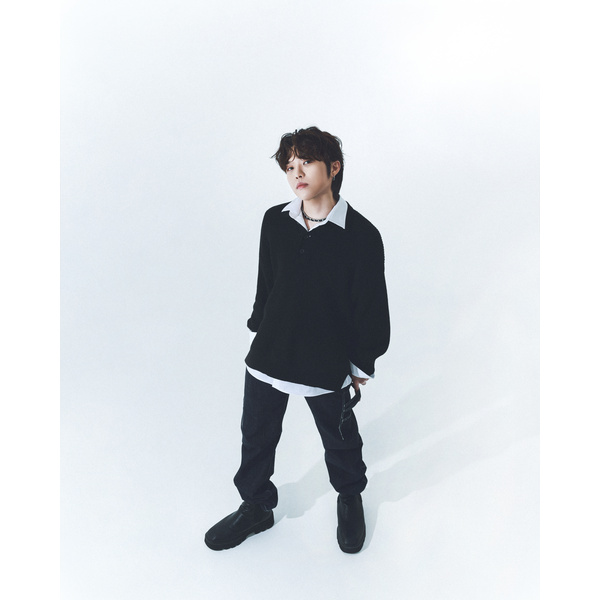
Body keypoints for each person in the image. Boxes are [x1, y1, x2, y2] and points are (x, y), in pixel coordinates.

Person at [204, 126, 390, 553]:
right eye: (289, 167)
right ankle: (256, 506)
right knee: (256, 435)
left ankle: (350, 496)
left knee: (340, 438)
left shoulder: (362, 235)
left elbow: (371, 307)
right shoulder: (275, 220)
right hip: (270, 352)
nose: (297, 173)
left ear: (334, 167)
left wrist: (361, 363)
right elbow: (267, 282)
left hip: (326, 360)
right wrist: (261, 326)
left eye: (306, 162)